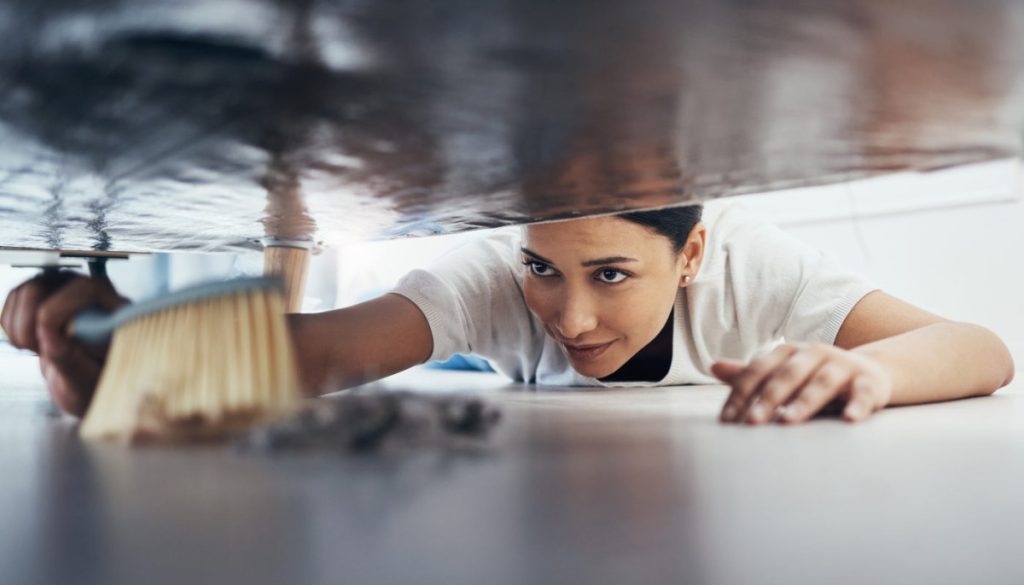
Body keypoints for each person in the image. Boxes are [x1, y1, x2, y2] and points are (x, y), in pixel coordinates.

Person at [1, 202, 1014, 424]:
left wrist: (871, 371)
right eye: (543, 270)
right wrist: (126, 343)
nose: (568, 317)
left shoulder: (755, 271)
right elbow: (322, 352)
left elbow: (981, 347)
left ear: (690, 254)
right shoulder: (489, 270)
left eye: (612, 274)